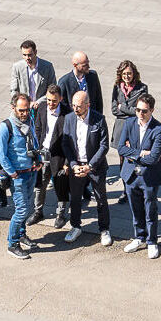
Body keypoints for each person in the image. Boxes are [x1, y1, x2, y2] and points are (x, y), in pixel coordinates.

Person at [117, 93, 161, 258]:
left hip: (149, 176)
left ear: (152, 110)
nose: (140, 113)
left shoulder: (159, 129)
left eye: (144, 111)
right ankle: (139, 237)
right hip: (131, 175)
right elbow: (121, 149)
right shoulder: (129, 123)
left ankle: (152, 241)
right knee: (135, 208)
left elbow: (153, 157)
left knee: (150, 209)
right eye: (138, 110)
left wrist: (133, 153)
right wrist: (140, 154)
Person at [59, 88, 110, 245]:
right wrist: (73, 164)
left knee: (100, 199)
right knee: (75, 198)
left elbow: (104, 146)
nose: (75, 109)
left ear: (87, 105)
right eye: (73, 105)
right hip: (76, 166)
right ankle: (75, 226)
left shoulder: (99, 119)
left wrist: (90, 166)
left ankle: (104, 229)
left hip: (95, 166)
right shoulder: (69, 118)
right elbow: (66, 143)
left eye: (78, 106)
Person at [0, 92, 39, 258]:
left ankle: (21, 234)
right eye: (21, 110)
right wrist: (12, 174)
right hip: (17, 175)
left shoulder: (29, 121)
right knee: (21, 210)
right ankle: (12, 244)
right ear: (13, 108)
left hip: (30, 172)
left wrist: (38, 161)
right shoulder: (5, 127)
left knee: (27, 206)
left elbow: (34, 142)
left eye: (27, 110)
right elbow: (1, 155)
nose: (25, 113)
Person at [32, 84, 72, 227]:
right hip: (43, 154)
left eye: (54, 101)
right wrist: (35, 151)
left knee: (60, 185)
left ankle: (61, 214)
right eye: (48, 100)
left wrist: (67, 162)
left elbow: (71, 141)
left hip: (59, 156)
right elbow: (37, 129)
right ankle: (38, 211)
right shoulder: (42, 108)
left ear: (60, 99)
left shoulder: (68, 114)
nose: (50, 104)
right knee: (40, 185)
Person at [109, 61, 150, 157]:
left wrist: (122, 107)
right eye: (124, 73)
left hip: (134, 126)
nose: (126, 76)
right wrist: (131, 111)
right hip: (121, 126)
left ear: (134, 74)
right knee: (121, 155)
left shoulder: (142, 88)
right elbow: (114, 110)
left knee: (133, 155)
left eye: (129, 73)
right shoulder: (117, 87)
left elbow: (140, 111)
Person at [9, 40, 56, 113]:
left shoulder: (47, 67)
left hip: (42, 107)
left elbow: (52, 89)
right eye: (24, 55)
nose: (27, 58)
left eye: (29, 55)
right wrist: (21, 102)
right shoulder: (17, 67)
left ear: (35, 52)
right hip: (24, 108)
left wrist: (38, 102)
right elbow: (14, 90)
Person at [61, 52, 103, 116]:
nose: (88, 66)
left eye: (88, 63)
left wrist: (99, 117)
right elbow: (63, 107)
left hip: (92, 119)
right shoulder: (65, 82)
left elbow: (98, 100)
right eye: (84, 65)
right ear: (75, 65)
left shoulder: (93, 76)